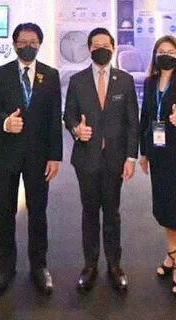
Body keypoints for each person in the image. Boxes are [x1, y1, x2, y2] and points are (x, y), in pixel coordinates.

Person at [0, 22, 62, 298]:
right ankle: (5, 269)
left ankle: (39, 267)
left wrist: (55, 156)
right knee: (5, 213)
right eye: (22, 41)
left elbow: (54, 118)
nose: (28, 46)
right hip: (6, 154)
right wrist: (6, 122)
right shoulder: (1, 73)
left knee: (38, 213)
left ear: (39, 44)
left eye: (33, 41)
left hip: (39, 157)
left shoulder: (50, 75)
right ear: (14, 44)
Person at [63, 27, 139, 293]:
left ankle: (115, 265)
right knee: (89, 212)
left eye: (105, 45)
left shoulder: (125, 80)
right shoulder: (77, 81)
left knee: (112, 212)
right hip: (86, 158)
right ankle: (90, 265)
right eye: (95, 46)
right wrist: (76, 130)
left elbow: (132, 123)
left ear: (113, 47)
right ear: (88, 49)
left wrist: (131, 157)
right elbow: (68, 115)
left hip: (115, 159)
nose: (101, 49)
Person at [138, 35, 176, 297]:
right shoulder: (150, 83)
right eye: (161, 50)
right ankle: (171, 254)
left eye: (171, 51)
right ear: (155, 55)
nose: (166, 55)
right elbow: (145, 118)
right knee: (164, 208)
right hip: (158, 156)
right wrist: (143, 152)